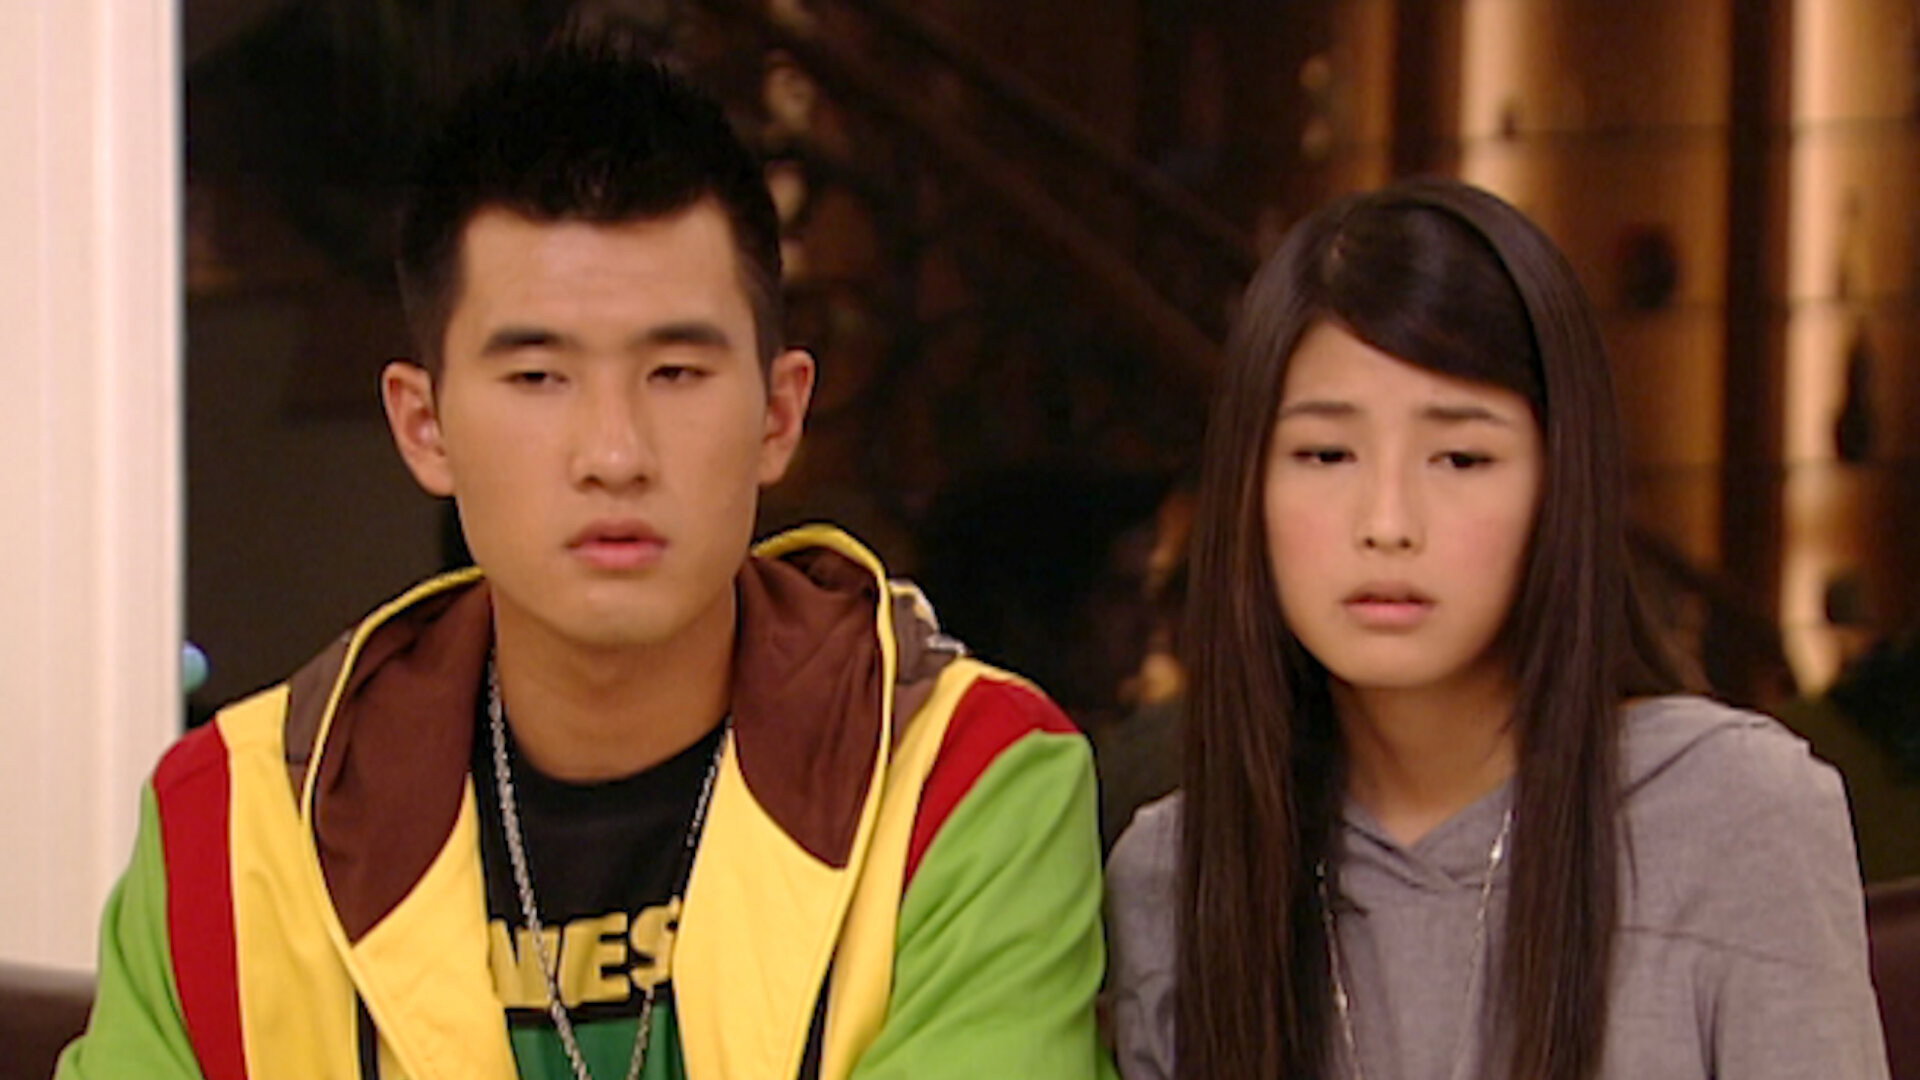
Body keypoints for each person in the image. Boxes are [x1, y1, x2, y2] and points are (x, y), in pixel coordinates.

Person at [60, 46, 1112, 1080]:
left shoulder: (959, 783)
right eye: (537, 376)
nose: (614, 453)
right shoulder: (235, 827)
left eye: (676, 371)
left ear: (779, 414)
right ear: (424, 426)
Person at [1105, 178, 1890, 1080]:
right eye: (1325, 453)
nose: (1387, 522)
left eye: (1461, 457)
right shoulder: (1179, 874)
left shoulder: (1733, 815)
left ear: (1559, 485)